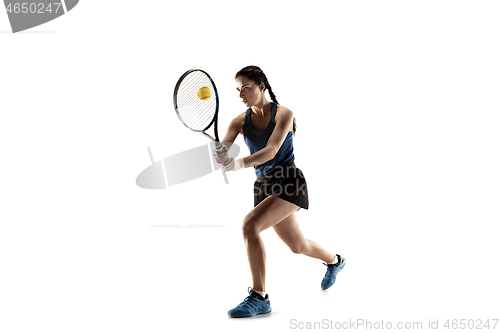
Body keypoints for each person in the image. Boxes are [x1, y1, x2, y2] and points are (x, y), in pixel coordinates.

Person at [213, 66, 346, 318]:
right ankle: (335, 261)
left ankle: (259, 297)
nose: (241, 93)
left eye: (246, 87)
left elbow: (272, 150)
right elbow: (224, 153)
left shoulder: (284, 113)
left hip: (288, 181)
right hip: (263, 185)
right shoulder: (238, 122)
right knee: (298, 246)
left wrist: (239, 163)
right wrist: (221, 156)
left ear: (261, 86)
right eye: (238, 89)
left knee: (249, 225)